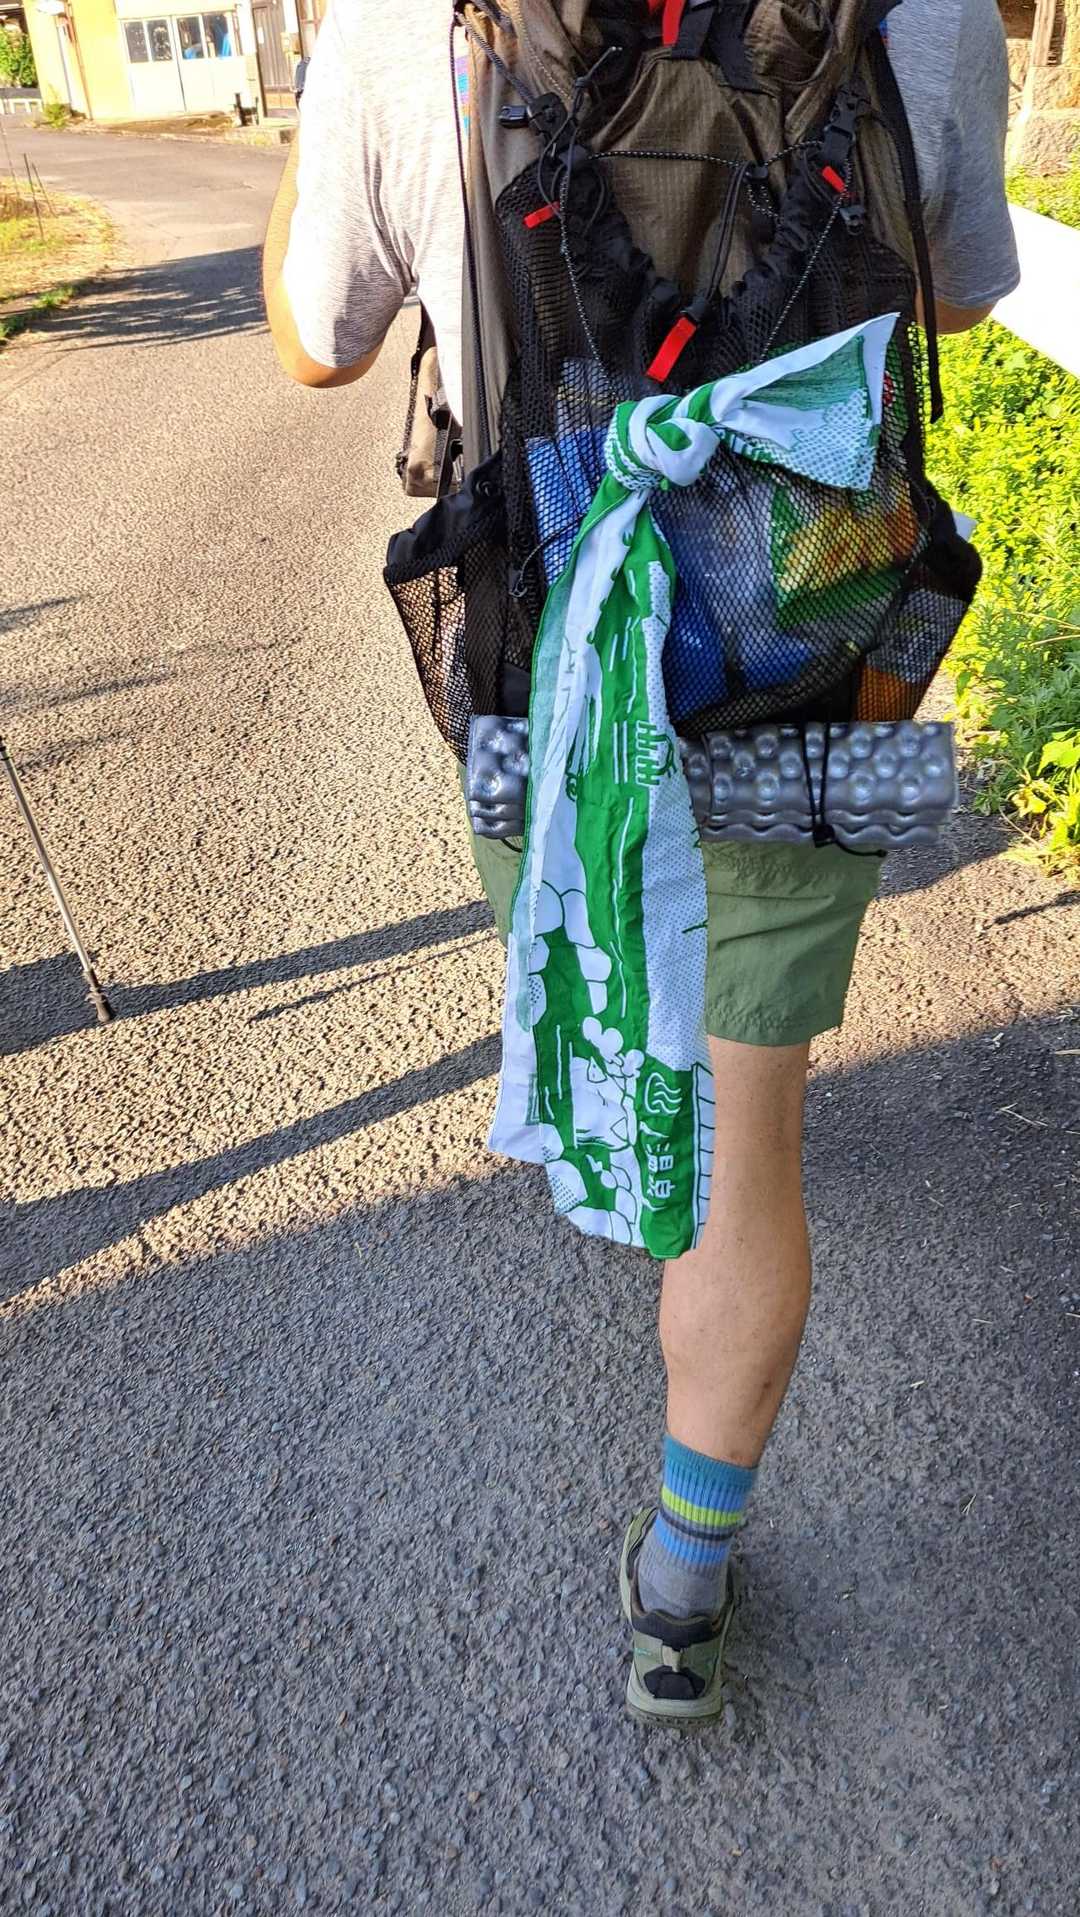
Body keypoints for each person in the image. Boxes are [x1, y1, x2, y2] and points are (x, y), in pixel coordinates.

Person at [263, 0, 1020, 1723]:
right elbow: (953, 294)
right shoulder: (924, 15)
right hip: (813, 647)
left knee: (626, 1007)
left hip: (550, 680)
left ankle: (623, 1135)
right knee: (757, 1146)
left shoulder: (403, 29)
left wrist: (306, 176)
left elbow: (317, 343)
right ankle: (684, 1580)